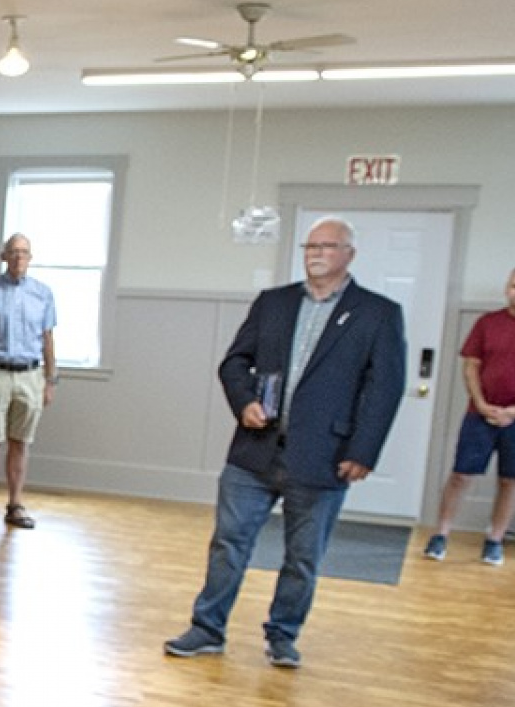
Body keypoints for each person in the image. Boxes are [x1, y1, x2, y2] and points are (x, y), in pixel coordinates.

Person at [164, 218, 407, 668]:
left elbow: (385, 389)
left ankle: (282, 634)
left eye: (328, 246)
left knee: (302, 556)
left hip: (325, 456)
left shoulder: (378, 313)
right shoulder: (273, 303)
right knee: (228, 544)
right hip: (255, 449)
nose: (316, 253)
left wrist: (363, 451)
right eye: (310, 245)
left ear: (349, 254)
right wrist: (243, 403)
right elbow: (235, 362)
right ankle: (207, 628)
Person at [423, 266, 515, 566]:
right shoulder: (488, 323)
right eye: (513, 284)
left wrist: (511, 412)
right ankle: (441, 535)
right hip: (479, 415)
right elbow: (471, 366)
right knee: (461, 475)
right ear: (507, 287)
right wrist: (482, 403)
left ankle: (494, 540)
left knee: (509, 481)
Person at [0, 232, 58, 530]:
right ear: (4, 256)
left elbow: (47, 339)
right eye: (14, 252)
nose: (19, 257)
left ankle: (16, 503)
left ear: (31, 258)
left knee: (21, 442)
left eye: (24, 252)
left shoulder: (43, 294)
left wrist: (50, 379)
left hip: (31, 375)